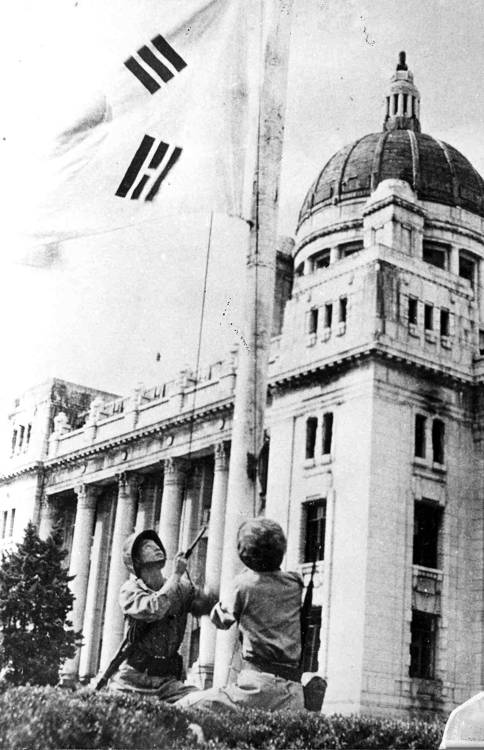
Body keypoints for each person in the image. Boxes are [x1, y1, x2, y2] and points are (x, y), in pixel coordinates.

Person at [176, 517, 306, 712]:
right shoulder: (295, 583)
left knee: (184, 706)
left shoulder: (243, 585)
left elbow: (221, 620)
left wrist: (206, 601)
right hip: (293, 691)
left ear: (246, 556)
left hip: (258, 686)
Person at [108, 528, 213, 702]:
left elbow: (205, 606)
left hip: (167, 683)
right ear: (136, 561)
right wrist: (177, 574)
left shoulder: (181, 587)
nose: (156, 547)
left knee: (204, 702)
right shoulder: (130, 591)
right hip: (132, 680)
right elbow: (155, 609)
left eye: (156, 544)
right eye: (147, 547)